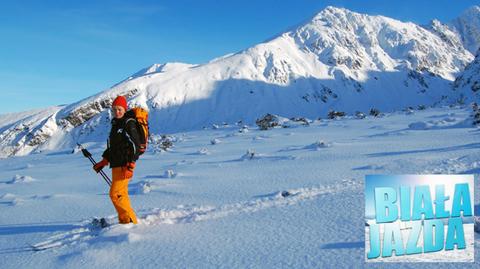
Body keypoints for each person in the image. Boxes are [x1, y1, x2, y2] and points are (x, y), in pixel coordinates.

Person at [93, 95, 141, 224]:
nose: (117, 112)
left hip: (125, 165)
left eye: (119, 109)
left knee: (115, 194)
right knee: (121, 195)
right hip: (116, 165)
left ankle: (130, 221)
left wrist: (131, 165)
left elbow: (135, 146)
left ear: (124, 109)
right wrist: (103, 161)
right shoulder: (115, 124)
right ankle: (125, 220)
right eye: (114, 109)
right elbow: (114, 147)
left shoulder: (128, 123)